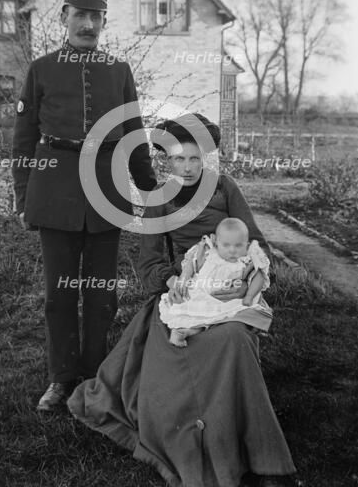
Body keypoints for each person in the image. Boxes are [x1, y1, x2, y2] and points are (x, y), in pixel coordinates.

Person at [68, 113, 297, 487]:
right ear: (166, 160)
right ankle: (190, 437)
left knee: (235, 339)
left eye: (195, 159)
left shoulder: (225, 188)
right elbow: (149, 262)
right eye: (178, 159)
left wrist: (242, 276)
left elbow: (257, 243)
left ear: (206, 157)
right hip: (183, 291)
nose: (187, 168)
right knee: (177, 353)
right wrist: (172, 278)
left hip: (232, 289)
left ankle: (261, 456)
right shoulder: (159, 199)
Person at [12, 0, 157, 411]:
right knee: (59, 293)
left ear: (104, 21)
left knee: (100, 294)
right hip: (54, 191)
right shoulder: (41, 70)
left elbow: (133, 133)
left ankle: (95, 377)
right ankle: (60, 379)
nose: (89, 24)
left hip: (107, 192)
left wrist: (151, 190)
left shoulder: (119, 71)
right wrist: (23, 197)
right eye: (81, 14)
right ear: (64, 16)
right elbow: (23, 140)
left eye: (97, 16)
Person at [160, 216, 272, 347]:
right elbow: (191, 264)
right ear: (216, 242)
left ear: (246, 244)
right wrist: (182, 280)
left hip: (227, 298)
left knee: (226, 315)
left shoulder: (247, 259)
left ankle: (187, 331)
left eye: (238, 245)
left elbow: (259, 277)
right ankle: (183, 330)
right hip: (201, 293)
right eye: (226, 245)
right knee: (192, 311)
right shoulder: (209, 252)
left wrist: (249, 295)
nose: (232, 250)